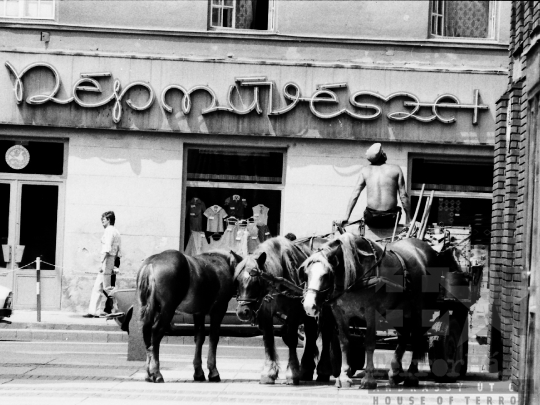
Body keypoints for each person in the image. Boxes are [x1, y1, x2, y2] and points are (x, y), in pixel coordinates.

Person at [339, 143, 411, 229]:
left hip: (372, 218)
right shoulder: (396, 169)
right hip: (391, 218)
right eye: (383, 152)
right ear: (381, 155)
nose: (384, 153)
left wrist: (346, 217)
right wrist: (410, 220)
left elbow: (355, 194)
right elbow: (403, 196)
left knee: (367, 211)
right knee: (397, 209)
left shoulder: (365, 171)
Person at [84, 211, 122, 318]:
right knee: (98, 287)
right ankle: (93, 311)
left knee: (107, 288)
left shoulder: (109, 231)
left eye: (103, 219)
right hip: (112, 260)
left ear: (109, 220)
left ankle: (118, 306)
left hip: (107, 260)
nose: (102, 221)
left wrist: (102, 263)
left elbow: (107, 248)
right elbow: (119, 250)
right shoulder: (116, 231)